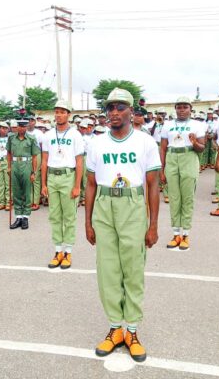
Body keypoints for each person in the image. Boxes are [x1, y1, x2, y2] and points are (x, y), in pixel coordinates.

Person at [85, 88, 160, 362]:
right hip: (104, 204)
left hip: (132, 203)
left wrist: (153, 225)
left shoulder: (145, 142)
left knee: (132, 268)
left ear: (131, 111)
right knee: (107, 269)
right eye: (110, 108)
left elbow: (153, 185)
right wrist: (88, 222)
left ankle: (132, 330)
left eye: (120, 107)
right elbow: (90, 184)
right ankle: (115, 328)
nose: (114, 113)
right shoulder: (96, 143)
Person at [41, 100, 84, 269]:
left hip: (68, 176)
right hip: (52, 176)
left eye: (62, 111)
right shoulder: (48, 135)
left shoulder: (75, 135)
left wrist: (77, 185)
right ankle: (58, 250)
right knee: (54, 216)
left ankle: (68, 252)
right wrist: (43, 183)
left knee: (69, 217)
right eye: (56, 111)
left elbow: (79, 162)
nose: (58, 114)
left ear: (69, 114)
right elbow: (44, 160)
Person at [159, 97, 205, 251]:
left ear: (190, 109)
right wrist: (162, 169)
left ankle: (185, 234)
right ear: (175, 109)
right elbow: (163, 148)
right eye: (179, 107)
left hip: (188, 157)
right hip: (172, 158)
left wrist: (194, 142)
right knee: (174, 198)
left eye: (185, 107)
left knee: (187, 198)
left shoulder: (197, 125)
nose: (182, 109)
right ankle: (175, 233)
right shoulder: (167, 125)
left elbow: (202, 148)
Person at [7, 119, 39, 229]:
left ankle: (25, 217)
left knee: (26, 192)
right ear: (17, 127)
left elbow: (35, 156)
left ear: (26, 127)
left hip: (27, 164)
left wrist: (34, 172)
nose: (21, 128)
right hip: (15, 164)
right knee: (16, 192)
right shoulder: (11, 138)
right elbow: (9, 153)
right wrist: (9, 167)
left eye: (24, 126)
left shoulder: (31, 138)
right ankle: (18, 217)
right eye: (20, 126)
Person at [27, 116, 45, 210]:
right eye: (29, 120)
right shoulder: (23, 131)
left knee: (36, 178)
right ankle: (30, 201)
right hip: (26, 155)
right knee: (28, 178)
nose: (30, 122)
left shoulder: (39, 133)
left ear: (35, 122)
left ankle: (36, 202)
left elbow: (42, 148)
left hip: (37, 155)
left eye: (32, 121)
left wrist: (42, 161)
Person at [0, 122, 11, 211]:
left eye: (6, 128)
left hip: (7, 160)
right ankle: (1, 202)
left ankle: (8, 202)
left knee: (8, 183)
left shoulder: (10, 139)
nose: (4, 130)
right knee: (0, 183)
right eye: (2, 128)